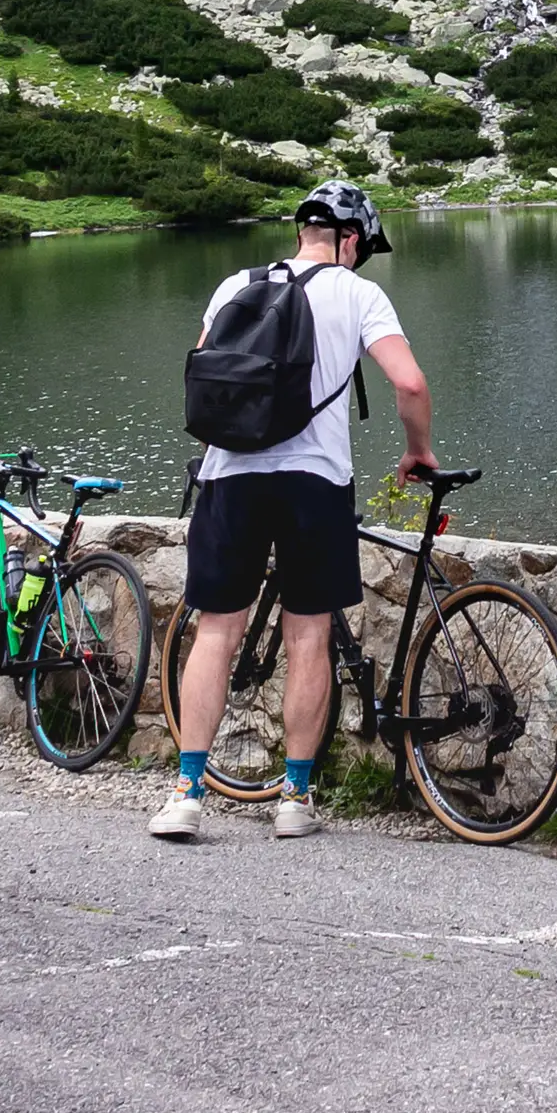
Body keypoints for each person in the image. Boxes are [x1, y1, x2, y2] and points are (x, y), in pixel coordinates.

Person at [152, 181, 433, 843]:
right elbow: (411, 382)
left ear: (302, 231)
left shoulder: (233, 286)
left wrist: (224, 452)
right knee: (309, 637)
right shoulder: (358, 292)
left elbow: (201, 382)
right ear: (353, 241)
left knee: (216, 631)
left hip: (231, 478)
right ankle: (295, 799)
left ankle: (188, 793)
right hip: (314, 482)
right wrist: (417, 450)